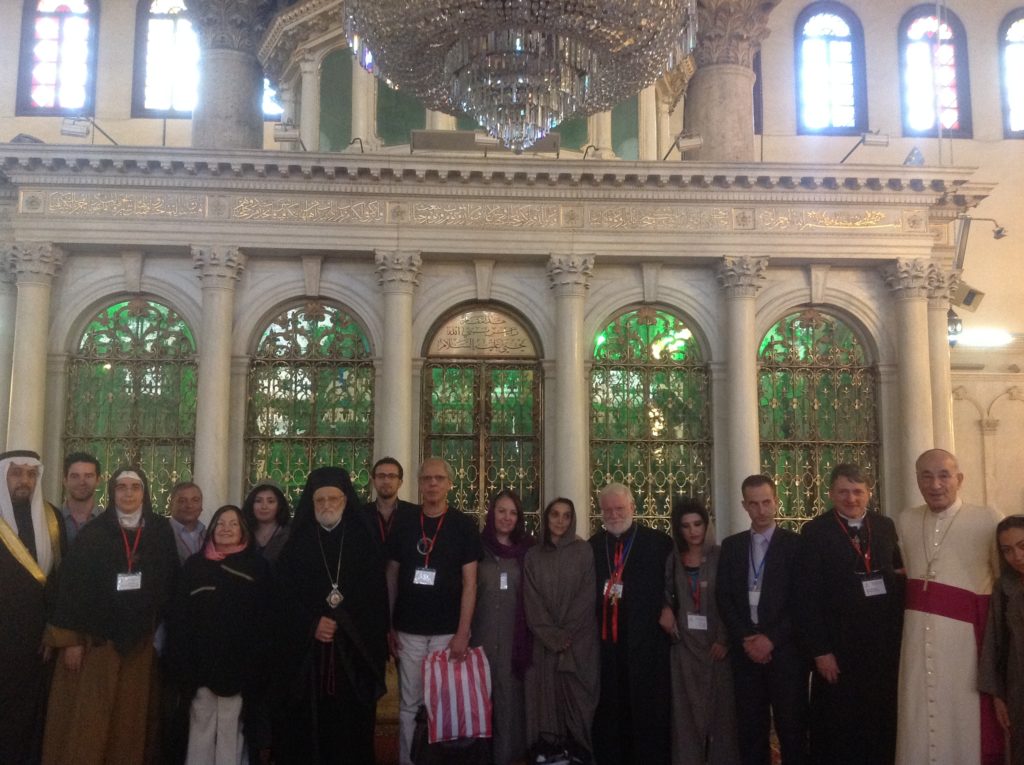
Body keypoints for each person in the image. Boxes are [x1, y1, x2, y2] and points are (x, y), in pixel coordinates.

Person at [42, 466, 178, 765]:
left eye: (135, 487)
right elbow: (72, 589)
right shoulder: (94, 533)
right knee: (90, 720)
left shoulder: (159, 531)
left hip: (139, 644)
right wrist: (71, 641)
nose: (128, 493)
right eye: (122, 487)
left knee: (129, 722)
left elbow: (169, 583)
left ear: (145, 492)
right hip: (95, 644)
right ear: (112, 491)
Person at [274, 466, 389, 764]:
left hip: (353, 654)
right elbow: (283, 598)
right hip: (308, 658)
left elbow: (375, 599)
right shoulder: (295, 545)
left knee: (351, 730)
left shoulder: (364, 542)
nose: (326, 505)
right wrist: (312, 624)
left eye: (333, 499)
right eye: (320, 500)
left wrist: (342, 623)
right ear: (311, 503)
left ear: (346, 500)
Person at [896, 448, 1003, 765]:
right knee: (918, 716)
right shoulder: (906, 520)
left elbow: (1002, 583)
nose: (935, 484)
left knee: (962, 720)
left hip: (965, 647)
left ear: (960, 479)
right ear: (917, 481)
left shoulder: (987, 518)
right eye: (926, 476)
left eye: (944, 475)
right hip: (916, 642)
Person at [798, 464, 903, 765]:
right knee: (838, 728)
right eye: (843, 491)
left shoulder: (885, 526)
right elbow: (806, 598)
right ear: (831, 494)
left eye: (858, 491)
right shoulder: (815, 531)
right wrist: (821, 652)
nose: (851, 498)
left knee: (879, 725)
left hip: (880, 649)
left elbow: (897, 574)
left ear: (869, 493)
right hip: (838, 650)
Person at [386, 457, 483, 765]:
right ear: (419, 483)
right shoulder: (404, 521)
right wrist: (388, 625)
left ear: (449, 484)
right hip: (408, 630)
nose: (432, 484)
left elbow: (470, 584)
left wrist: (463, 632)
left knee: (442, 703)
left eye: (439, 478)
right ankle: (408, 760)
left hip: (447, 633)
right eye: (427, 478)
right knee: (409, 704)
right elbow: (391, 575)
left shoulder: (463, 525)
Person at [169, 504, 272, 764]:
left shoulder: (257, 567)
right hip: (200, 666)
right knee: (200, 726)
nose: (226, 529)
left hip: (240, 666)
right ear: (212, 528)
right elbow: (180, 616)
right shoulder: (194, 566)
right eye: (220, 523)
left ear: (243, 531)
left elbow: (266, 618)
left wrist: (256, 663)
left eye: (233, 524)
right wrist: (183, 663)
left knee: (231, 728)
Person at [716, 475, 806, 765]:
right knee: (751, 733)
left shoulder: (796, 545)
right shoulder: (732, 546)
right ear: (744, 506)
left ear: (776, 501)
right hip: (746, 655)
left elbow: (801, 602)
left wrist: (771, 640)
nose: (762, 509)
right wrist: (747, 638)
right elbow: (724, 597)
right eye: (754, 504)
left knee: (792, 730)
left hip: (785, 654)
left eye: (767, 502)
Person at [590, 483, 674, 765]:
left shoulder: (658, 543)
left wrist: (667, 607)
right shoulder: (592, 546)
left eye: (619, 508)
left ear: (632, 508)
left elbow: (673, 587)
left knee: (646, 711)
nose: (614, 515)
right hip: (606, 645)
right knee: (611, 710)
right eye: (608, 510)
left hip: (646, 643)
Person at [658, 497, 739, 765]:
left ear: (706, 525)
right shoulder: (673, 559)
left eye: (697, 524)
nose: (693, 531)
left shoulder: (721, 555)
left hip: (716, 648)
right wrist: (666, 608)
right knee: (685, 716)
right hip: (684, 648)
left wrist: (725, 639)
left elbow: (731, 599)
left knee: (721, 717)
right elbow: (667, 594)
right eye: (685, 526)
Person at [0, 449, 65, 765]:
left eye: (30, 474)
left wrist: (53, 631)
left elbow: (59, 582)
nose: (24, 481)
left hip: (38, 643)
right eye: (16, 473)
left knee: (31, 719)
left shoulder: (51, 519)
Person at [523, 497, 599, 759]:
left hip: (577, 644)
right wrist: (552, 636)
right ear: (546, 518)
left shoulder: (583, 551)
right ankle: (549, 752)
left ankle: (578, 751)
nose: (560, 521)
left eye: (566, 516)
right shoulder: (533, 555)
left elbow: (587, 596)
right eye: (555, 514)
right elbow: (531, 601)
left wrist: (565, 634)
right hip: (544, 644)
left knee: (578, 703)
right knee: (545, 699)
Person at [472, 489, 535, 765]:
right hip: (479, 640)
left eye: (512, 512)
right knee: (477, 705)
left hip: (514, 643)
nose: (507, 517)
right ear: (491, 513)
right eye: (501, 511)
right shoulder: (476, 548)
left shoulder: (528, 551)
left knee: (509, 707)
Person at [980, 515, 1024, 764]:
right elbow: (995, 644)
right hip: (1018, 689)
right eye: (1007, 550)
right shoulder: (1005, 588)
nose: (1016, 557)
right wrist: (998, 696)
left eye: (1023, 546)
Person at [364, 456, 418, 546]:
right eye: (381, 476)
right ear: (373, 481)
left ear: (400, 482)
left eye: (392, 476)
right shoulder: (362, 515)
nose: (386, 481)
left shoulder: (414, 513)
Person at [240, 480, 292, 563]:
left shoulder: (291, 534)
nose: (264, 506)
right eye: (258, 501)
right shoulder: (241, 532)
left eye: (270, 501)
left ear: (279, 505)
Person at [60, 451, 101, 544]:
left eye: (88, 476)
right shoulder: (52, 520)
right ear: (65, 481)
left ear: (98, 480)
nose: (82, 482)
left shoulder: (107, 521)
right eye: (75, 476)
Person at [169, 481, 206, 564]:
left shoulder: (208, 535)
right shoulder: (161, 534)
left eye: (195, 500)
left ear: (201, 506)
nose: (189, 505)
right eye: (182, 501)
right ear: (171, 505)